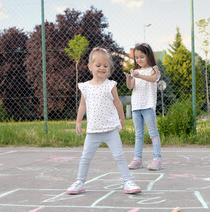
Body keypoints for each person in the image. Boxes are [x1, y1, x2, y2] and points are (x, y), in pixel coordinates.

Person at [66, 47, 142, 195]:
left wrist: (121, 118)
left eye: (105, 66)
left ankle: (128, 181)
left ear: (109, 68)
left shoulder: (110, 85)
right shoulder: (86, 87)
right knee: (85, 157)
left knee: (119, 156)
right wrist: (78, 122)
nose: (102, 68)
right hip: (93, 130)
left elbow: (118, 102)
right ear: (90, 67)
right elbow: (82, 105)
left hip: (110, 129)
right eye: (98, 65)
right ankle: (80, 182)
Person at [125, 43, 163, 171]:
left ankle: (157, 159)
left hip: (148, 106)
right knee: (138, 134)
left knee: (153, 132)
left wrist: (138, 75)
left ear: (148, 56)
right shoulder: (137, 72)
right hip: (136, 106)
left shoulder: (154, 69)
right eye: (136, 57)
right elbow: (130, 87)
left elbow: (153, 79)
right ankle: (137, 159)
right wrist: (129, 78)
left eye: (142, 56)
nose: (139, 60)